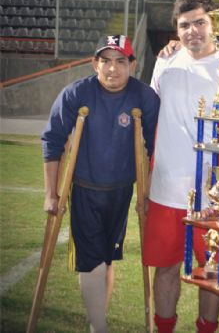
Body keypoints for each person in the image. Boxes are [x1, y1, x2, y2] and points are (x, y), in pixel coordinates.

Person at [143, 0, 219, 333]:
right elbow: (151, 119)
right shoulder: (165, 64)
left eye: (200, 23)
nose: (193, 31)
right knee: (166, 268)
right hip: (165, 190)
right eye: (184, 25)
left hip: (214, 197)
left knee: (212, 273)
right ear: (176, 31)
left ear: (213, 24)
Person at [41, 34, 160, 333]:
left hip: (121, 190)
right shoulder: (76, 93)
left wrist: (149, 193)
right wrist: (51, 194)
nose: (112, 68)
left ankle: (97, 324)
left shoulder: (143, 96)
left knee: (107, 259)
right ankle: (100, 327)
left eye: (120, 61)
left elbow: (156, 147)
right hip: (84, 189)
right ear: (95, 64)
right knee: (91, 259)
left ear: (132, 64)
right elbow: (52, 141)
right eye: (105, 61)